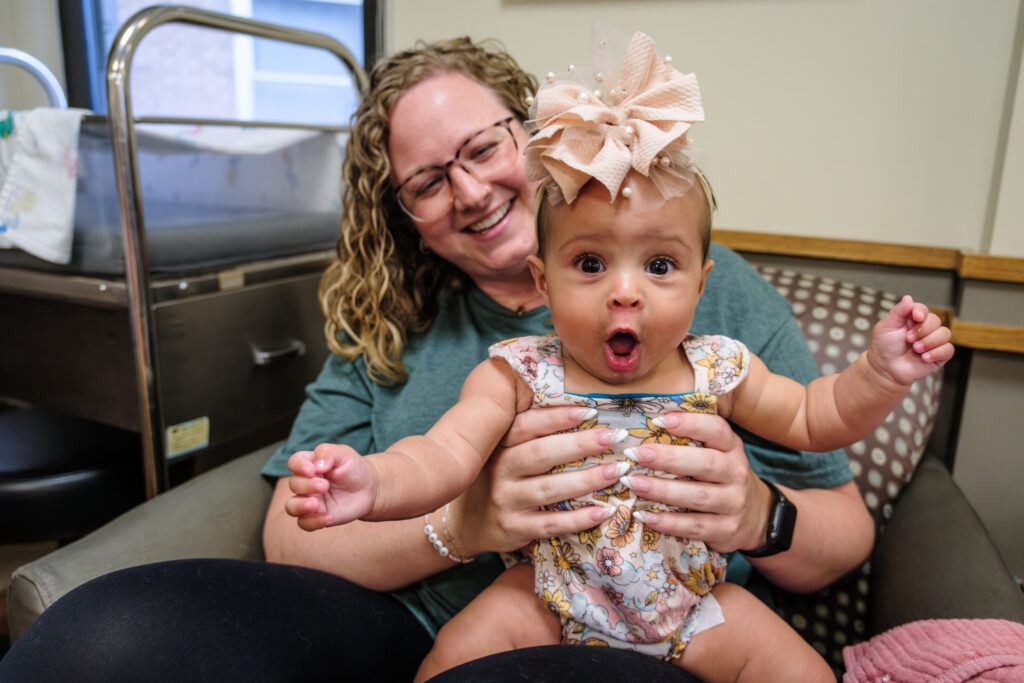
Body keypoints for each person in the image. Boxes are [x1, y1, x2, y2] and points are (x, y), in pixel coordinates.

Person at [0, 35, 873, 681]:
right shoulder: (423, 329)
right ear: (403, 214)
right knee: (101, 640)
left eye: (485, 149)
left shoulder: (707, 306)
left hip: (680, 620)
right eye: (425, 181)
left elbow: (832, 484)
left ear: (531, 135)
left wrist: (760, 511)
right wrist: (465, 524)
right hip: (464, 613)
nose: (468, 190)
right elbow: (313, 522)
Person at [284, 32, 952, 683]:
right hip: (546, 600)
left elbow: (819, 414)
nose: (625, 291)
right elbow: (438, 457)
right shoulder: (518, 370)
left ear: (702, 283)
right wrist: (373, 483)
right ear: (546, 282)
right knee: (452, 659)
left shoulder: (721, 367)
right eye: (591, 263)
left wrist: (880, 374)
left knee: (803, 670)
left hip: (694, 604)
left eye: (660, 264)